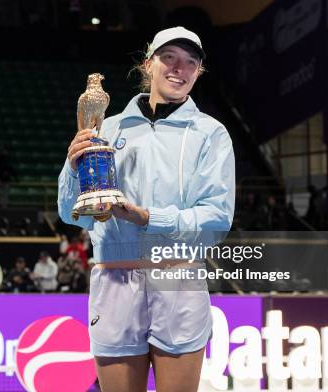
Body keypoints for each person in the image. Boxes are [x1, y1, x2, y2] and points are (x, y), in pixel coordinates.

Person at [58, 27, 235, 391]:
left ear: (198, 72)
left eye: (190, 62)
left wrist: (148, 218)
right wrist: (74, 168)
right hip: (115, 281)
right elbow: (67, 211)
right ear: (148, 64)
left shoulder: (211, 134)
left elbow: (217, 218)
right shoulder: (105, 128)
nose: (178, 68)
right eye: (168, 57)